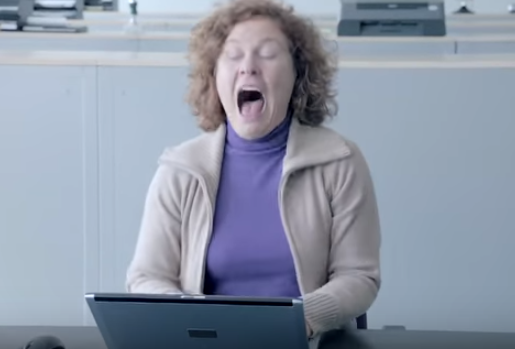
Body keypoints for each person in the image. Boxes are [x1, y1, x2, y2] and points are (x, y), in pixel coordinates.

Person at [126, 0, 381, 337]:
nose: (248, 67)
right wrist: (190, 316)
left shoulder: (341, 161)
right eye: (233, 55)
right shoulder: (180, 170)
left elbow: (359, 277)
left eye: (268, 53)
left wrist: (298, 322)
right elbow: (145, 278)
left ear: (297, 73)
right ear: (214, 75)